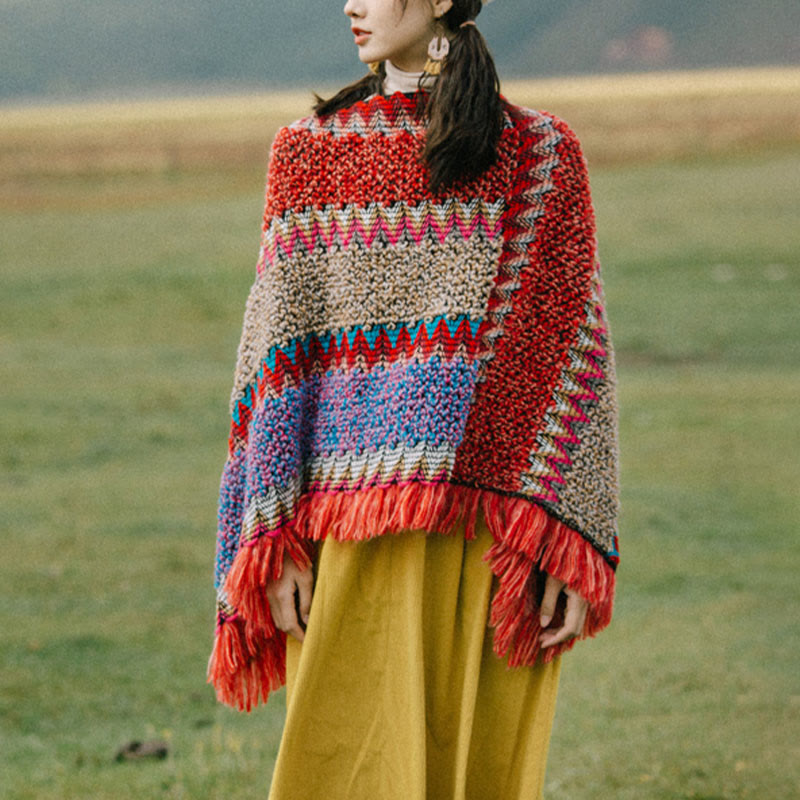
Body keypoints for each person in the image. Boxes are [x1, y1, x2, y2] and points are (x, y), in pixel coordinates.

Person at [207, 0, 620, 797]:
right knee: (344, 769)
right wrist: (275, 536)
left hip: (486, 538)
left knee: (478, 774)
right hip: (347, 545)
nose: (353, 6)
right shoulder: (308, 153)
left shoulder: (539, 156)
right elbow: (273, 361)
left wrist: (574, 530)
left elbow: (575, 359)